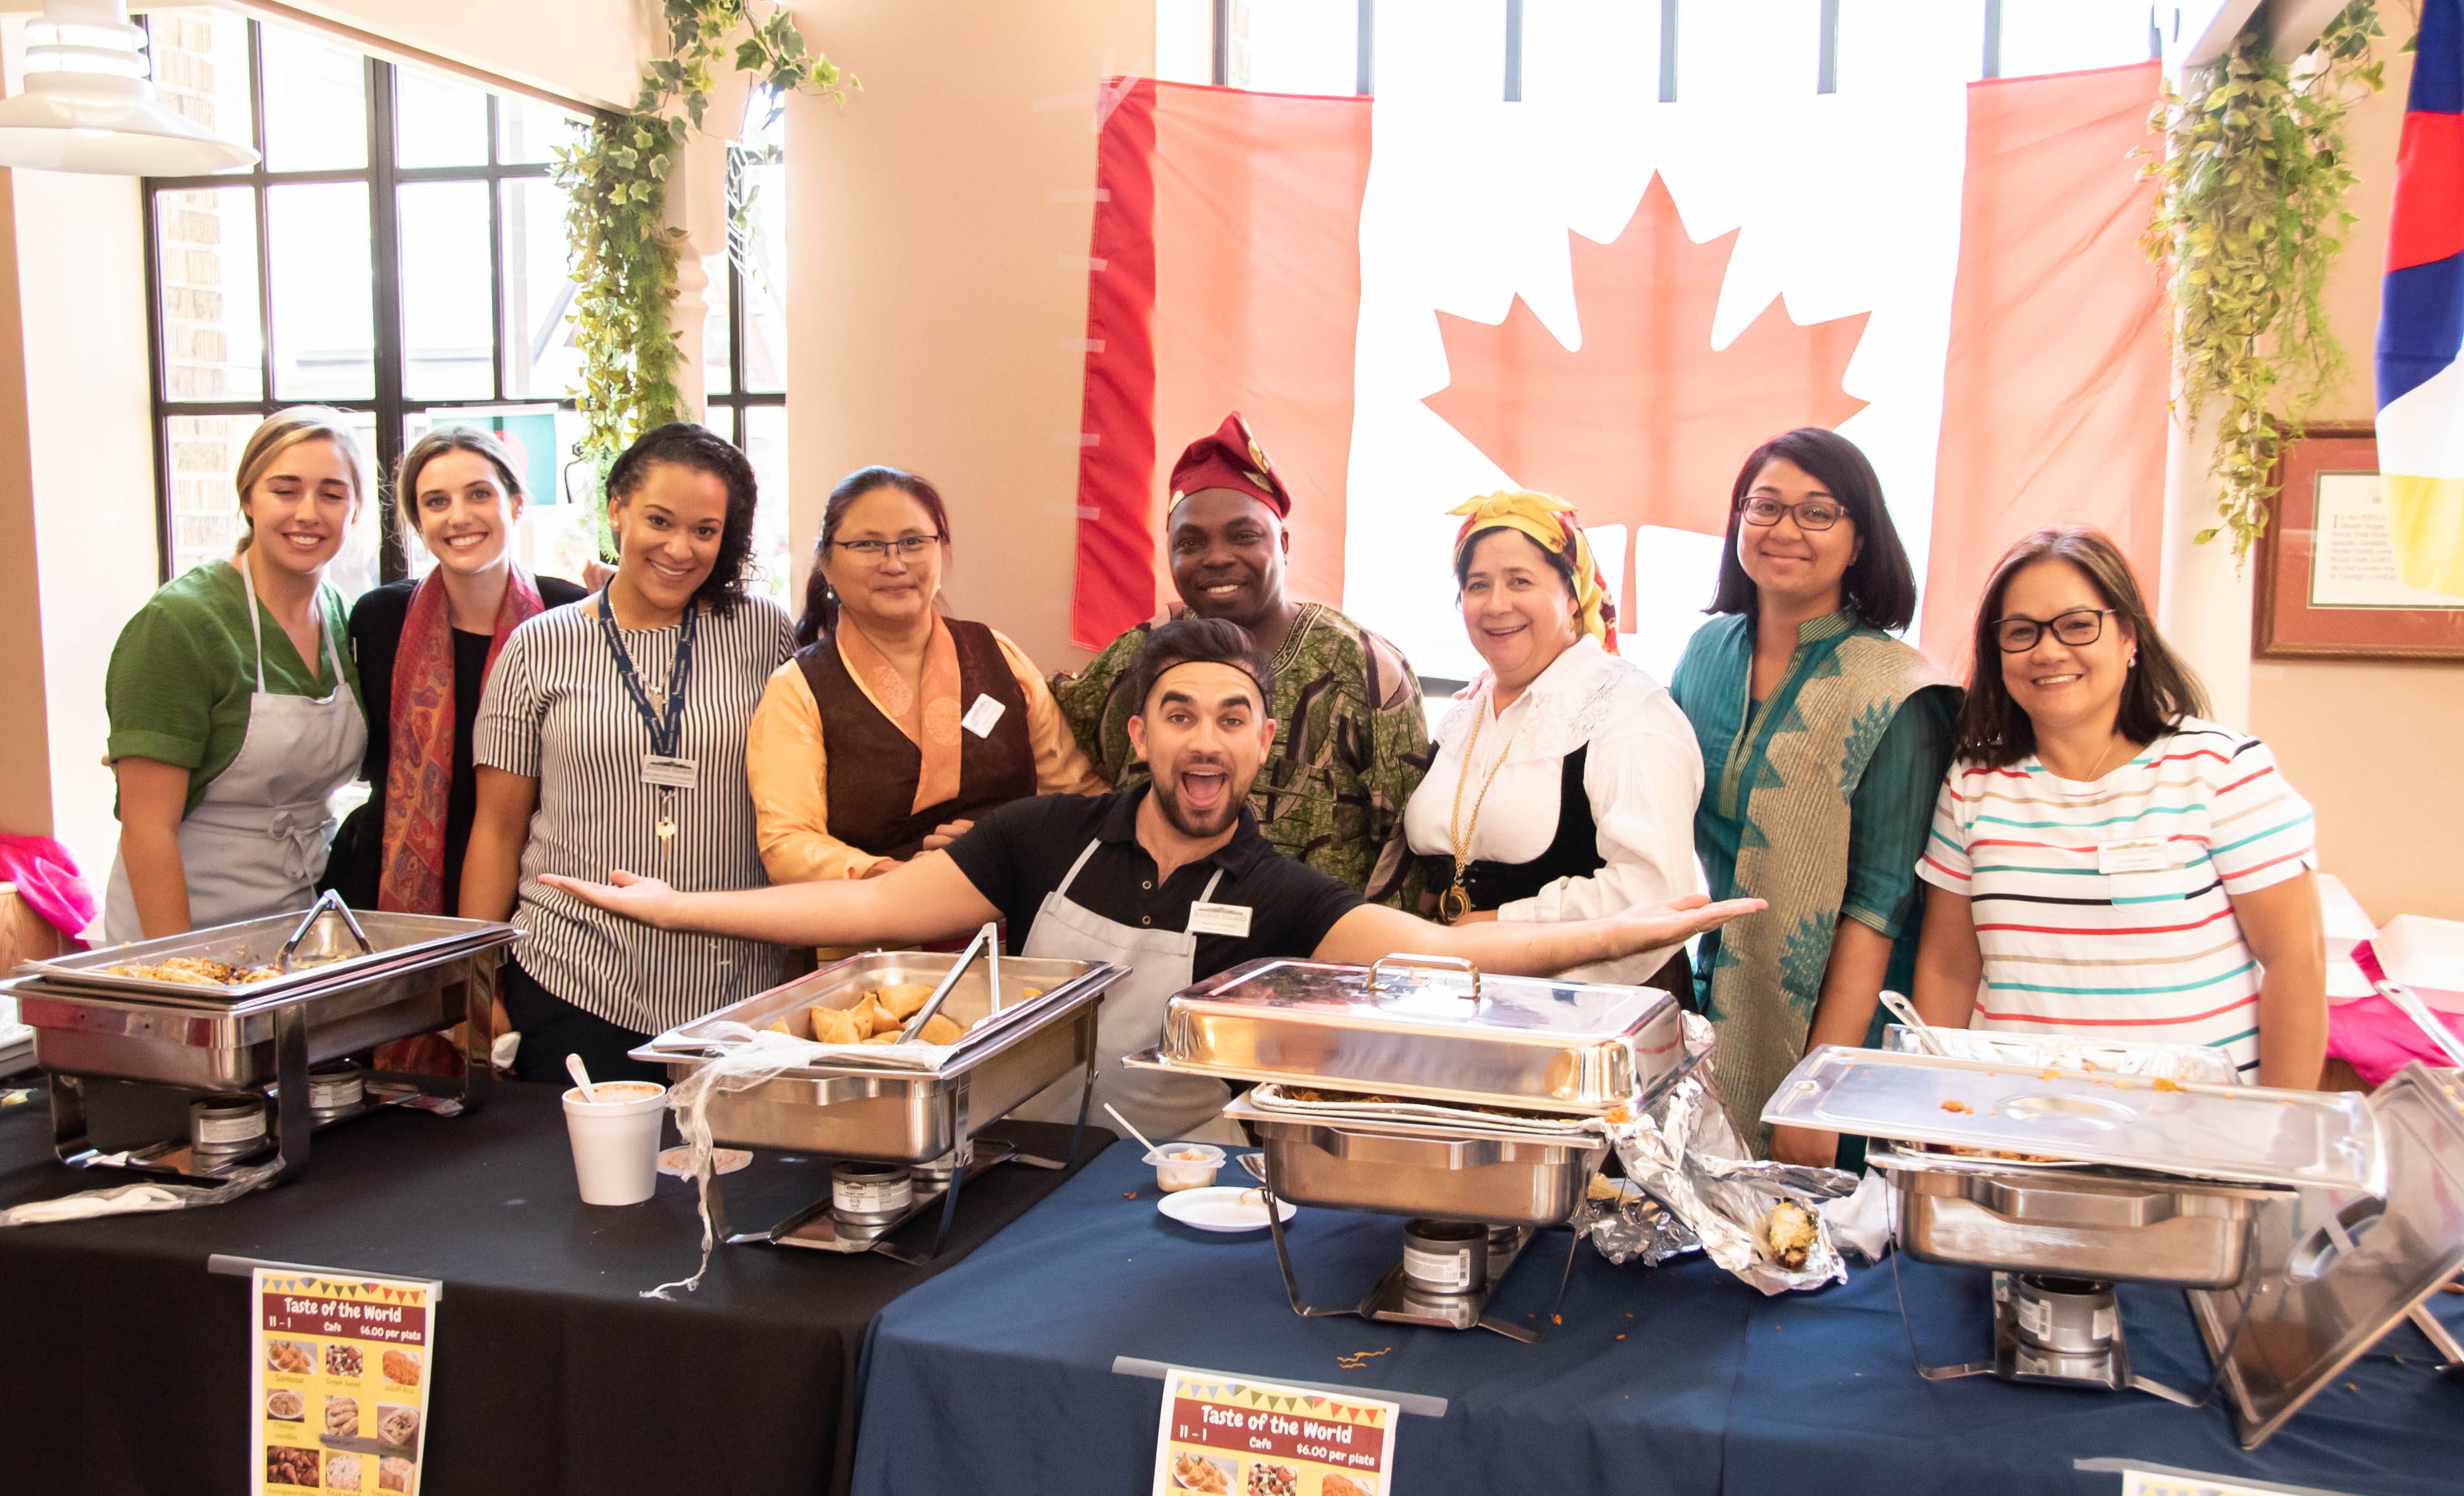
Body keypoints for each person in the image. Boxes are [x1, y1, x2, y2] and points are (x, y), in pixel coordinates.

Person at [545, 617, 1762, 1140]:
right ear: (1141, 735)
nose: (1204, 738)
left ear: (1262, 743)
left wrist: (1620, 930)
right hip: (1012, 1163)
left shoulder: (1283, 894)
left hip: (1167, 1193)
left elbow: (1447, 953)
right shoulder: (1041, 839)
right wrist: (677, 904)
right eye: (1179, 714)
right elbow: (866, 911)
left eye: (1233, 718)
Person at [1912, 526, 2326, 1089]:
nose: (2049, 650)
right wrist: (1935, 1108)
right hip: (2016, 1127)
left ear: (2129, 637)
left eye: (2078, 625)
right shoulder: (1973, 783)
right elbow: (1949, 969)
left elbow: (2295, 964)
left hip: (2197, 1133)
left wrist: (2284, 1130)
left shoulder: (2221, 769)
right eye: (2021, 632)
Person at [461, 424, 795, 1084]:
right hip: (574, 975)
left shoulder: (766, 633)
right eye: (659, 521)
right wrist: (473, 986)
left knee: (741, 1185)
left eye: (705, 530)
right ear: (616, 509)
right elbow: (497, 830)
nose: (680, 548)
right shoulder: (538, 647)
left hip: (738, 986)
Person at [1667, 429, 1959, 1162]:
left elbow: (1878, 905)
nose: (1785, 529)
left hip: (1841, 1032)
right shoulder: (1705, 654)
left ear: (1860, 539)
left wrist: (1818, 1088)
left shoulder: (1898, 691)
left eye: (1818, 511)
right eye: (1764, 506)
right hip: (1718, 999)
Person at [1053, 412, 1429, 904]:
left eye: (1243, 536)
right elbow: (1052, 741)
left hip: (1315, 958)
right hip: (1151, 939)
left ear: (1284, 545)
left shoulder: (1367, 671)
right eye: (1190, 543)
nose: (1216, 558)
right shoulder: (1140, 654)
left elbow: (1408, 849)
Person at [747, 466, 1102, 898]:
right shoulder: (797, 688)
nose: (894, 563)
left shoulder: (998, 655)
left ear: (941, 549)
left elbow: (1077, 795)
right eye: (867, 545)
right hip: (874, 939)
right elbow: (788, 846)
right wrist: (909, 877)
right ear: (827, 563)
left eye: (913, 542)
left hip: (1015, 921)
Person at [1403, 491, 1702, 1001]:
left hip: (1592, 1014)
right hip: (1461, 996)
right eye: (1478, 586)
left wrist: (1497, 924)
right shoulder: (1465, 714)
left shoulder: (1627, 709)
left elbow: (1657, 895)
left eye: (1520, 581)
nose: (1496, 604)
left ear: (1572, 595)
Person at [103, 407, 372, 942]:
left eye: (332, 494)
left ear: (354, 509)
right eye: (285, 490)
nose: (308, 513)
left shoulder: (344, 618)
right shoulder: (178, 624)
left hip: (300, 924)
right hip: (183, 925)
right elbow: (148, 829)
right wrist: (181, 972)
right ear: (248, 498)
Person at [333, 427, 588, 915]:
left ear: (515, 504)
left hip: (538, 895)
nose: (459, 516)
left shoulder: (574, 615)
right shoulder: (379, 618)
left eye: (479, 494)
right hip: (392, 896)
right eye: (435, 502)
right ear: (417, 520)